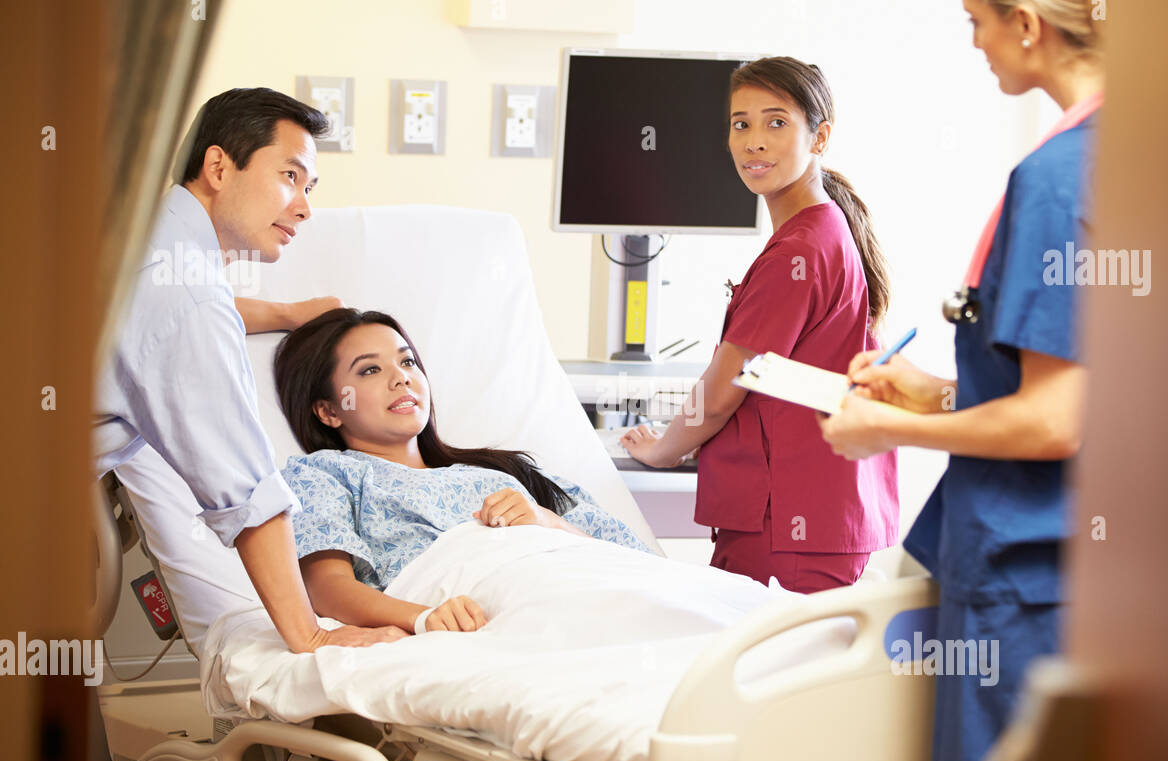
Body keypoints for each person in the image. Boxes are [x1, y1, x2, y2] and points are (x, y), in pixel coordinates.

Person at [818, 0, 1107, 761]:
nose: (975, 43)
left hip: (1023, 575)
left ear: (1026, 23)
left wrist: (884, 427)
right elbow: (1077, 385)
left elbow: (1055, 421)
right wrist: (934, 391)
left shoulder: (1058, 179)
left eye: (977, 21)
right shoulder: (1146, 153)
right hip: (1088, 565)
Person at [93, 87, 400, 653]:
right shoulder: (189, 300)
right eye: (290, 176)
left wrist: (286, 314)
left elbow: (163, 316)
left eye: (309, 188)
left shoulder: (151, 240)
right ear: (218, 167)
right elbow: (246, 491)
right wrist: (310, 635)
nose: (304, 207)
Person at [621, 56, 898, 594]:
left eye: (776, 123)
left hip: (789, 526)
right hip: (815, 516)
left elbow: (724, 390)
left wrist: (663, 449)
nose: (753, 142)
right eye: (740, 124)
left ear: (819, 137)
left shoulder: (800, 249)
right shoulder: (821, 231)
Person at [272, 308, 653, 634]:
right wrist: (423, 618)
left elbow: (632, 561)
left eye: (408, 362)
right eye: (370, 370)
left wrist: (546, 520)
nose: (401, 377)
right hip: (488, 606)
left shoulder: (503, 472)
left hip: (578, 583)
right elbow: (326, 589)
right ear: (329, 411)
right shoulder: (324, 474)